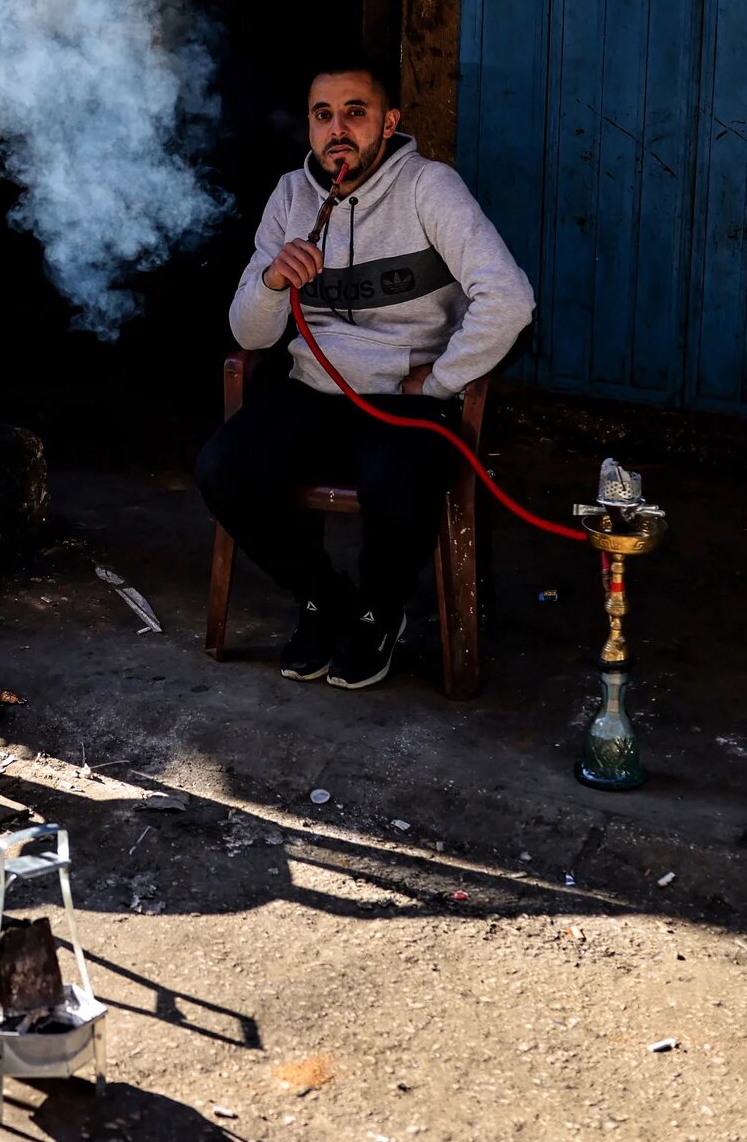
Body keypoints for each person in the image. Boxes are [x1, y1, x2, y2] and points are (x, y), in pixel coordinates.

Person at [196, 61, 534, 690]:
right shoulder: (291, 197)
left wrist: (439, 381)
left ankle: (380, 613)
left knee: (397, 481)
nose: (338, 130)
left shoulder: (428, 188)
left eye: (355, 112)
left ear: (389, 122)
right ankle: (325, 598)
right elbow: (250, 335)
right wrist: (273, 282)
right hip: (315, 390)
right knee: (223, 469)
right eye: (323, 115)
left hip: (406, 397)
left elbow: (510, 300)